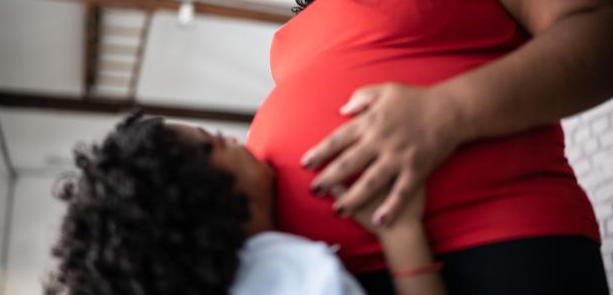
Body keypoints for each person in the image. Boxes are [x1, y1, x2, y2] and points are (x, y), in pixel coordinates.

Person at [247, 0, 613, 294]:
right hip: (337, 275)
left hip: (496, 242)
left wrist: (444, 111)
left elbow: (601, 26)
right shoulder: (313, 13)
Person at [49, 113, 447, 295]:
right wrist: (402, 234)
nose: (238, 141)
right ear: (204, 191)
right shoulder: (297, 280)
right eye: (219, 140)